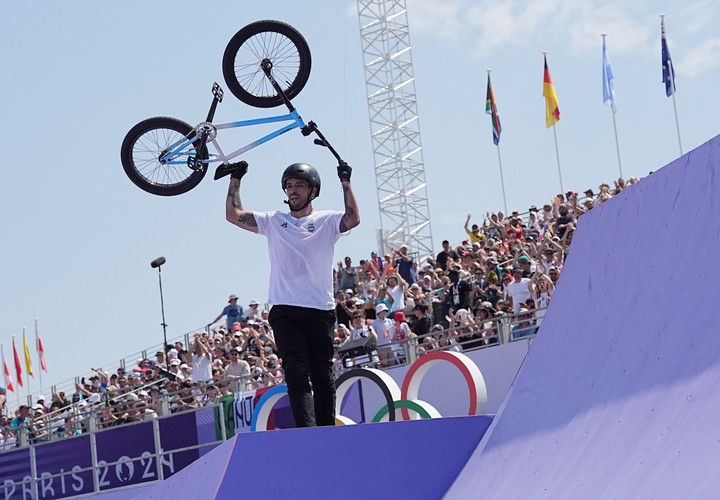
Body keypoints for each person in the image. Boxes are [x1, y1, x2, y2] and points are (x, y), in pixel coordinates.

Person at [224, 160, 359, 427]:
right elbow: (233, 214)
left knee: (322, 375)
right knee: (296, 372)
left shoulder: (328, 220)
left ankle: (326, 431)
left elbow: (352, 218)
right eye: (288, 186)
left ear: (313, 191)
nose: (292, 190)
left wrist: (346, 183)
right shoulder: (274, 221)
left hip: (320, 308)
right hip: (284, 309)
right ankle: (307, 433)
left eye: (299, 185)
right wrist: (235, 179)